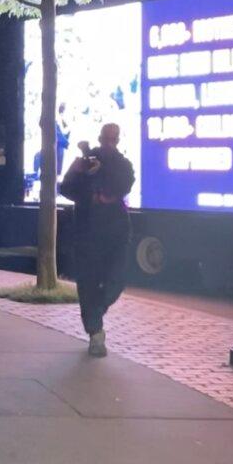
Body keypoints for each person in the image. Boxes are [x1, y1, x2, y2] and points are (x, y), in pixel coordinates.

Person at [60, 123, 136, 358]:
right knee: (88, 283)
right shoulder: (85, 160)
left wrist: (104, 175)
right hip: (87, 230)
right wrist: (80, 171)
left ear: (118, 141)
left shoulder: (122, 165)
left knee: (117, 278)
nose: (108, 143)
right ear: (100, 138)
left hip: (115, 230)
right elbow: (66, 188)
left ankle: (97, 310)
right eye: (105, 138)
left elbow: (124, 184)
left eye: (113, 139)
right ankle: (95, 333)